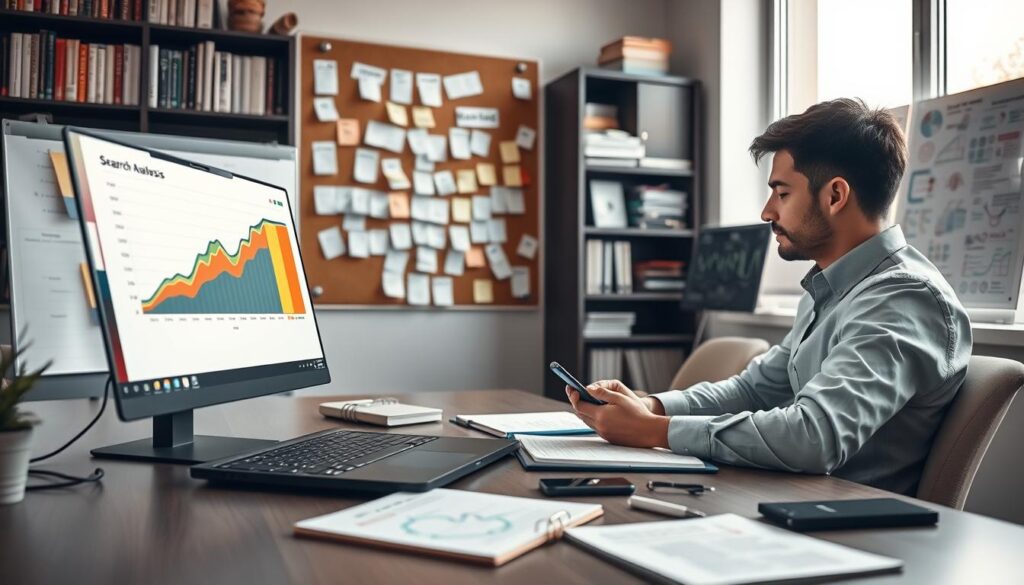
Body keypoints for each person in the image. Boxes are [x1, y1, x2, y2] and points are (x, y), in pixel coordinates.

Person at [566, 98, 972, 495]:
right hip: (787, 501)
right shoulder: (827, 290)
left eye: (782, 193)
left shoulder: (903, 299)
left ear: (835, 196)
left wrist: (655, 431)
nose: (766, 212)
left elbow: (815, 436)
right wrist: (653, 407)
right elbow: (754, 390)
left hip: (850, 534)